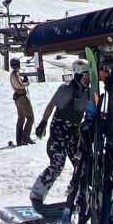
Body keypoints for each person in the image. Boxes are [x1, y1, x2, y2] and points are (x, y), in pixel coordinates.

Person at [30, 58, 93, 207]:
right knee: (57, 164)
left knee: (81, 165)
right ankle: (37, 194)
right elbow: (52, 105)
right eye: (86, 75)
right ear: (78, 75)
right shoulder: (66, 89)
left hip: (74, 132)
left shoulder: (88, 93)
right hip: (59, 131)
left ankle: (76, 194)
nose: (88, 79)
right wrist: (43, 123)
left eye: (89, 75)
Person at [10, 57, 35, 146]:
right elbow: (20, 85)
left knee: (21, 118)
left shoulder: (13, 74)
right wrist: (26, 83)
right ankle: (26, 138)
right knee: (30, 117)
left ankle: (19, 139)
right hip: (22, 97)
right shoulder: (15, 74)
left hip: (18, 97)